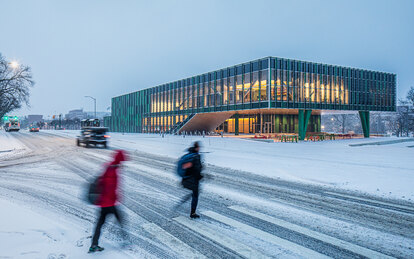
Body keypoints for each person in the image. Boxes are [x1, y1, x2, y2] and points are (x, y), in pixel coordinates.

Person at [89, 150, 127, 253]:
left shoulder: (110, 166)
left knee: (100, 223)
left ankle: (94, 244)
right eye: (122, 161)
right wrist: (115, 196)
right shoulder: (112, 170)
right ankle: (125, 240)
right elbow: (109, 187)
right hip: (108, 202)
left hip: (104, 202)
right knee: (120, 219)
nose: (122, 164)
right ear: (120, 160)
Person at [178, 141, 203, 218]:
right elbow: (197, 169)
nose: (199, 149)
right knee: (195, 195)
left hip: (188, 178)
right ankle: (192, 213)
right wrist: (199, 176)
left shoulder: (189, 154)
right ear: (197, 148)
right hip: (194, 179)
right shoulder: (196, 156)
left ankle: (192, 211)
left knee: (194, 194)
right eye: (199, 147)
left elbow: (189, 167)